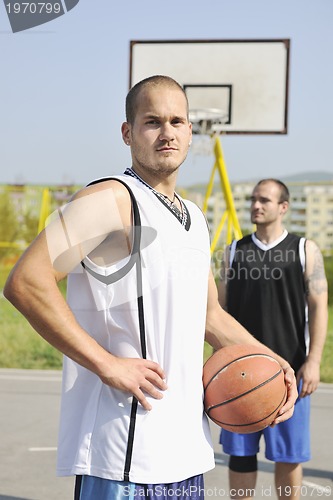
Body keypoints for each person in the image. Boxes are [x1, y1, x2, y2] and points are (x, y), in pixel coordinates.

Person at [4, 77, 297, 500]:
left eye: (177, 121)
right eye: (152, 121)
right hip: (123, 447)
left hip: (186, 450)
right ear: (128, 132)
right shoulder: (112, 198)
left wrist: (274, 362)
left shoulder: (195, 218)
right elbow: (27, 282)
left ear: (190, 132)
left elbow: (210, 316)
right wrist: (107, 363)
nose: (167, 132)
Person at [218, 179, 328, 500]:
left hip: (289, 373)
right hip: (240, 375)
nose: (256, 205)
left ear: (283, 207)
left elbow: (319, 307)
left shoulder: (305, 250)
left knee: (288, 456)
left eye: (264, 200)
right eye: (253, 199)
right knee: (240, 455)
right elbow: (220, 312)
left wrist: (314, 361)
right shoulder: (234, 252)